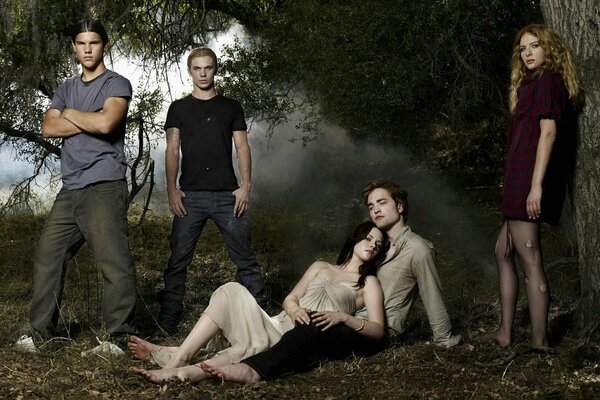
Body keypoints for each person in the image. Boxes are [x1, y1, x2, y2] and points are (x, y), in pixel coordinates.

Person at [173, 180, 462, 383]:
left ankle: (253, 369)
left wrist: (446, 339)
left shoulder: (418, 249)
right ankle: (184, 360)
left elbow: (432, 294)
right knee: (303, 324)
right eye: (371, 205)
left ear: (400, 206)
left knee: (312, 325)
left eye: (382, 202)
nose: (375, 209)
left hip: (375, 331)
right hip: (345, 319)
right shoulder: (377, 245)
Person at [129, 221, 388, 384]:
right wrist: (294, 309)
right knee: (231, 289)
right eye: (368, 238)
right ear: (356, 238)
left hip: (300, 338)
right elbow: (291, 298)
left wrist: (343, 317)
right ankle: (180, 359)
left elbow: (378, 330)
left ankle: (178, 366)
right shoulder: (321, 266)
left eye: (378, 244)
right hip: (279, 323)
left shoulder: (368, 282)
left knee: (249, 345)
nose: (373, 245)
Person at [24, 20, 137, 349]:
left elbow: (107, 123)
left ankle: (119, 340)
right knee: (48, 256)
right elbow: (49, 127)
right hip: (70, 187)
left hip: (103, 184)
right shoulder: (66, 88)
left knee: (113, 262)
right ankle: (41, 336)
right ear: (74, 47)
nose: (88, 49)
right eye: (82, 43)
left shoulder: (116, 83)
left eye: (94, 42)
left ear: (105, 45)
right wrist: (86, 116)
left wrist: (69, 114)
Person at [483, 24, 583, 348]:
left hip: (529, 178)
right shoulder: (530, 84)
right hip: (518, 177)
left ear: (548, 48)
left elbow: (549, 133)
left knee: (531, 259)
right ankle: (505, 333)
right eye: (523, 48)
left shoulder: (548, 81)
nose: (527, 53)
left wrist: (536, 186)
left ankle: (541, 342)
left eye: (534, 46)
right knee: (503, 251)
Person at [157, 47, 267, 334]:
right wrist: (171, 189)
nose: (203, 73)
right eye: (197, 68)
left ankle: (262, 319)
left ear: (215, 69)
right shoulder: (178, 108)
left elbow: (242, 147)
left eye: (208, 67)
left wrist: (245, 187)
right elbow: (172, 149)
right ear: (190, 72)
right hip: (189, 196)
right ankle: (167, 322)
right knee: (177, 261)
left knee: (246, 260)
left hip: (227, 196)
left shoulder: (231, 107)